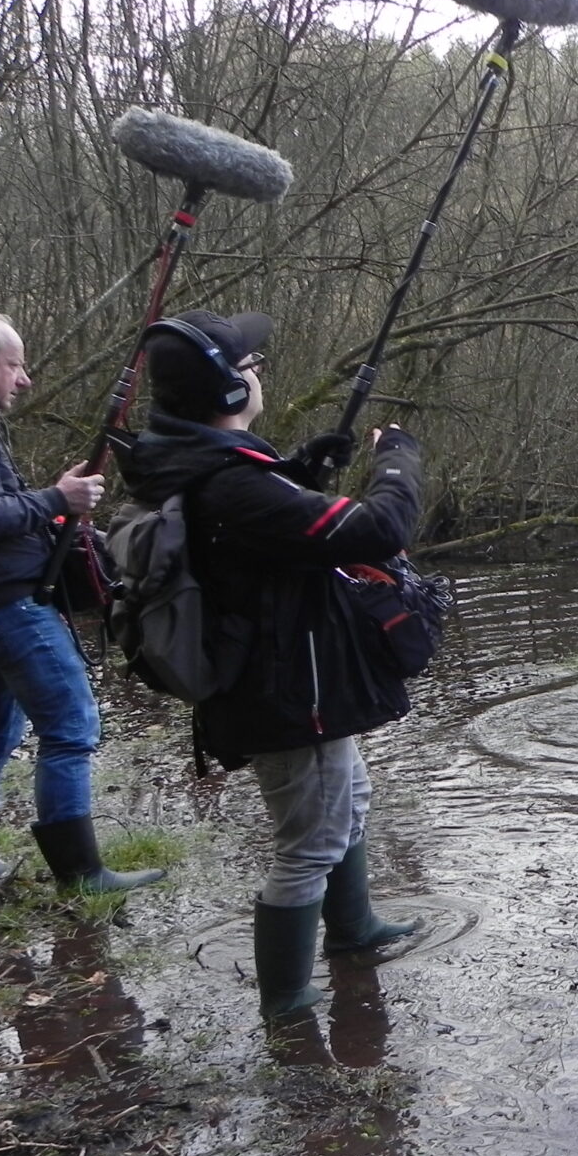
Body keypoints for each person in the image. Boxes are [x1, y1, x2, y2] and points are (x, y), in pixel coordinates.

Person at [118, 309, 425, 1016]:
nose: (259, 375)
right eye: (250, 368)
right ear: (227, 393)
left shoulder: (188, 458)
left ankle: (352, 929)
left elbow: (262, 538)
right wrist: (398, 458)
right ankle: (285, 1002)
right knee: (308, 843)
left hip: (289, 677)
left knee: (346, 806)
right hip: (286, 693)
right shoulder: (230, 485)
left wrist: (300, 472)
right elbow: (378, 530)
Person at [0, 305, 165, 894]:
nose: (24, 380)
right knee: (70, 725)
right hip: (5, 607)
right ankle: (82, 875)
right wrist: (57, 497)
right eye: (13, 365)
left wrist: (51, 499)